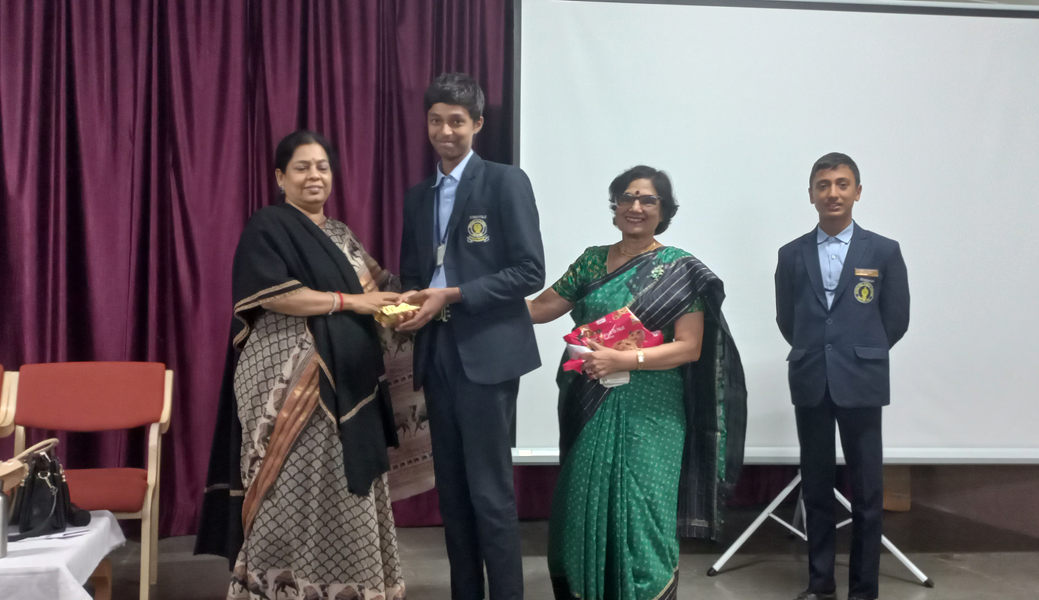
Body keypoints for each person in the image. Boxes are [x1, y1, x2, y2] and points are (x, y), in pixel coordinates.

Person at [198, 130, 408, 600]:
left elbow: (382, 289)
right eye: (302, 167)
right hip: (285, 380)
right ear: (280, 177)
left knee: (344, 485)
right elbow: (278, 296)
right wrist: (350, 302)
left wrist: (418, 302)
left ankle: (351, 588)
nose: (314, 175)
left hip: (347, 380)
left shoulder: (341, 236)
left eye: (322, 167)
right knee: (289, 486)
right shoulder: (268, 227)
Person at [528, 166, 747, 600]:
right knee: (584, 504)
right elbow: (539, 308)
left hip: (654, 410)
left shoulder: (679, 269)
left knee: (644, 512)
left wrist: (624, 359)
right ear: (615, 208)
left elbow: (689, 347)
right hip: (590, 402)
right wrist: (465, 302)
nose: (636, 206)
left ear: (663, 211)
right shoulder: (591, 261)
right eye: (627, 197)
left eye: (649, 199)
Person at [395, 72, 545, 600]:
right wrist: (408, 304)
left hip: (487, 354)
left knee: (489, 492)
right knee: (453, 494)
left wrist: (453, 294)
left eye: (456, 121)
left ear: (477, 124)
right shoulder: (418, 197)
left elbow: (530, 272)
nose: (445, 131)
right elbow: (414, 273)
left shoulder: (505, 182)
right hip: (435, 352)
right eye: (435, 120)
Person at [774, 152, 910, 600]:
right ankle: (820, 583)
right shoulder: (791, 254)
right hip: (811, 378)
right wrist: (821, 351)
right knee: (816, 488)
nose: (833, 193)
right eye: (823, 185)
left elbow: (896, 319)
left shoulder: (884, 250)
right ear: (811, 194)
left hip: (862, 380)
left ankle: (864, 590)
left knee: (868, 492)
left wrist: (860, 352)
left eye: (842, 184)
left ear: (857, 192)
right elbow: (787, 320)